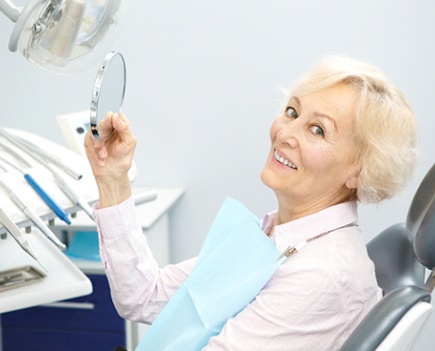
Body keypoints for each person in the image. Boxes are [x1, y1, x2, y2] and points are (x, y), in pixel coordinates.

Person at [84, 55, 417, 350]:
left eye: (317, 130)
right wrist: (113, 180)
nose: (284, 134)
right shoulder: (278, 234)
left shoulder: (322, 275)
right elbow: (144, 296)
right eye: (292, 112)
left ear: (359, 172)